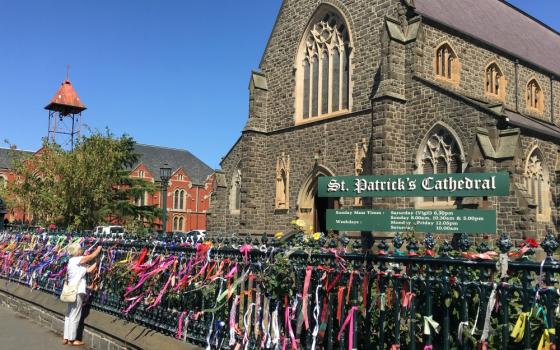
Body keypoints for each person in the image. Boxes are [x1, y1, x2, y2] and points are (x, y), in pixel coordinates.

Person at [63, 243, 102, 346]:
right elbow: (91, 256)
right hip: (77, 290)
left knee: (69, 314)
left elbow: (88, 270)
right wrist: (98, 249)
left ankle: (66, 337)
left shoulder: (72, 261)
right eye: (80, 249)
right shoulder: (77, 259)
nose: (82, 250)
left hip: (70, 291)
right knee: (75, 315)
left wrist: (97, 263)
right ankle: (72, 339)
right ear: (77, 251)